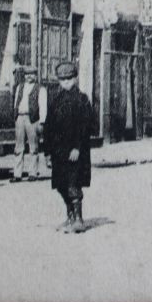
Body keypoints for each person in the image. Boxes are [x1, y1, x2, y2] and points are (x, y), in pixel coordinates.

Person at [44, 60, 98, 232]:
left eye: (69, 79)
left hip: (76, 151)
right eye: (62, 79)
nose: (65, 82)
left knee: (73, 184)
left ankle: (79, 219)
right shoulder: (55, 100)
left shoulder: (82, 100)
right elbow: (48, 127)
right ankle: (69, 217)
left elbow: (86, 126)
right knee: (61, 184)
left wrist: (77, 147)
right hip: (58, 151)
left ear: (75, 79)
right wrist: (47, 152)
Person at [11, 66, 48, 180]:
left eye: (32, 74)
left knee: (33, 147)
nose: (29, 76)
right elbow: (16, 101)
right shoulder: (20, 87)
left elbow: (43, 106)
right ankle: (17, 174)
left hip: (32, 119)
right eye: (27, 74)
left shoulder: (40, 89)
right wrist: (15, 115)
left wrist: (42, 121)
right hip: (20, 118)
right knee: (19, 147)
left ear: (36, 76)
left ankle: (32, 172)